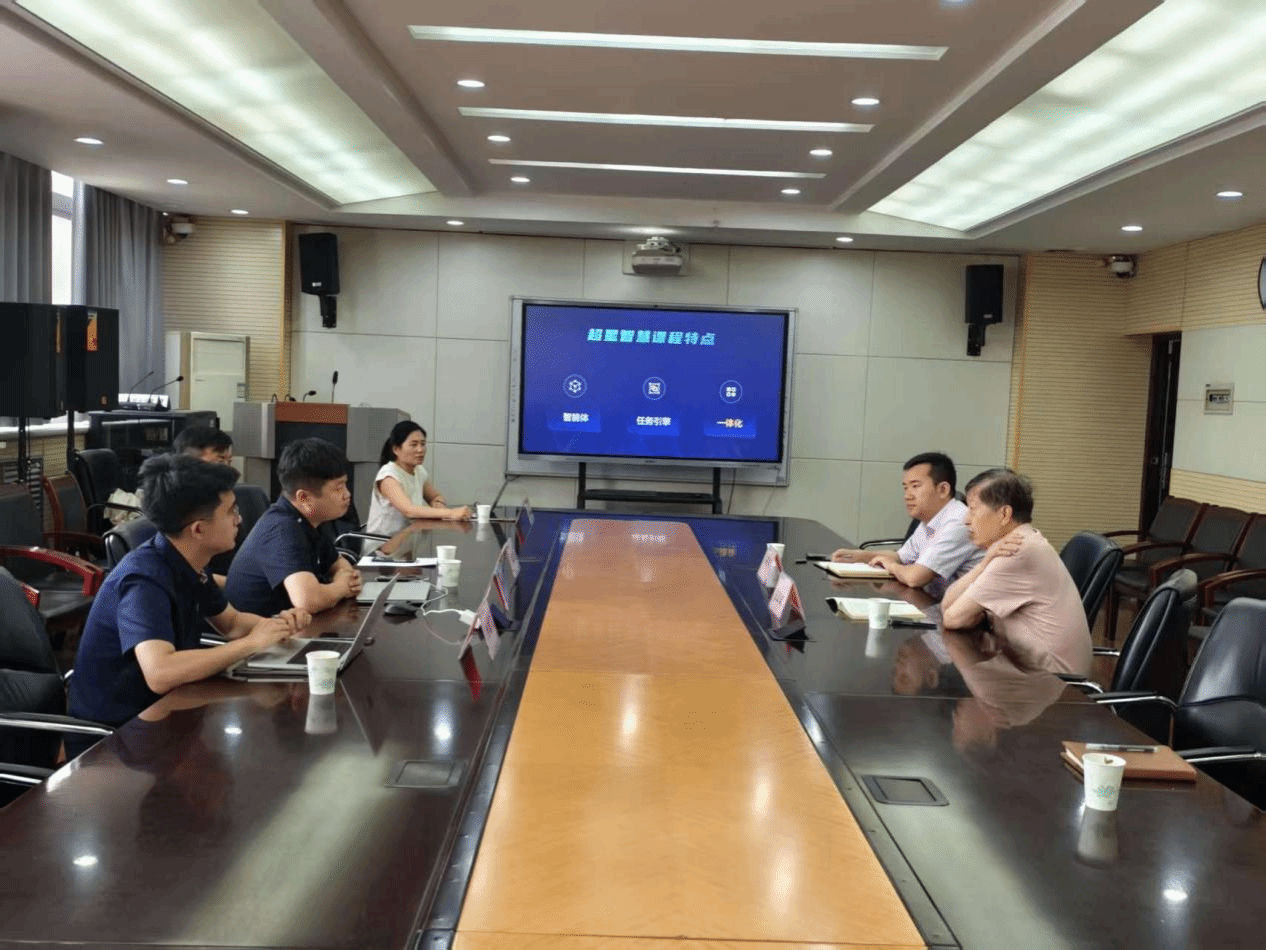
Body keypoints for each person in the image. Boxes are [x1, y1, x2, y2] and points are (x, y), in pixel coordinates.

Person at [68, 454, 308, 728]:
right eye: (231, 512)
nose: (239, 520)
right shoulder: (143, 580)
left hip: (167, 712)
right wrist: (251, 644)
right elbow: (160, 673)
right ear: (198, 529)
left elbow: (232, 623)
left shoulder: (187, 563)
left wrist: (277, 626)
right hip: (119, 733)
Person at [941, 468, 1091, 675]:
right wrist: (984, 564)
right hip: (1029, 668)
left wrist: (970, 612)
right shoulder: (1021, 541)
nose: (966, 520)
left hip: (1052, 681)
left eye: (973, 509)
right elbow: (948, 607)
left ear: (1004, 514)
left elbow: (952, 619)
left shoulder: (1016, 550)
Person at [226, 437, 363, 616]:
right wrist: (341, 587)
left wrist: (344, 576)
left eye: (345, 485)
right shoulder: (282, 529)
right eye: (338, 488)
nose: (347, 494)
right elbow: (307, 600)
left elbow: (337, 562)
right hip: (260, 630)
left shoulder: (310, 520)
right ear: (303, 498)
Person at [832, 452, 982, 596]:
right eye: (905, 488)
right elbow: (901, 557)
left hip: (965, 610)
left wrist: (891, 566)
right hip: (938, 601)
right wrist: (859, 556)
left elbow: (915, 578)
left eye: (915, 486)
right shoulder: (931, 521)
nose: (907, 495)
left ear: (943, 489)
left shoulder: (958, 522)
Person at [366, 421, 470, 535]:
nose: (420, 450)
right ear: (396, 449)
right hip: (384, 542)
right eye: (414, 445)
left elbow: (436, 496)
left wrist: (438, 503)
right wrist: (451, 513)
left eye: (423, 444)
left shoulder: (418, 470)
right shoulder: (388, 476)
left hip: (409, 537)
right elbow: (409, 510)